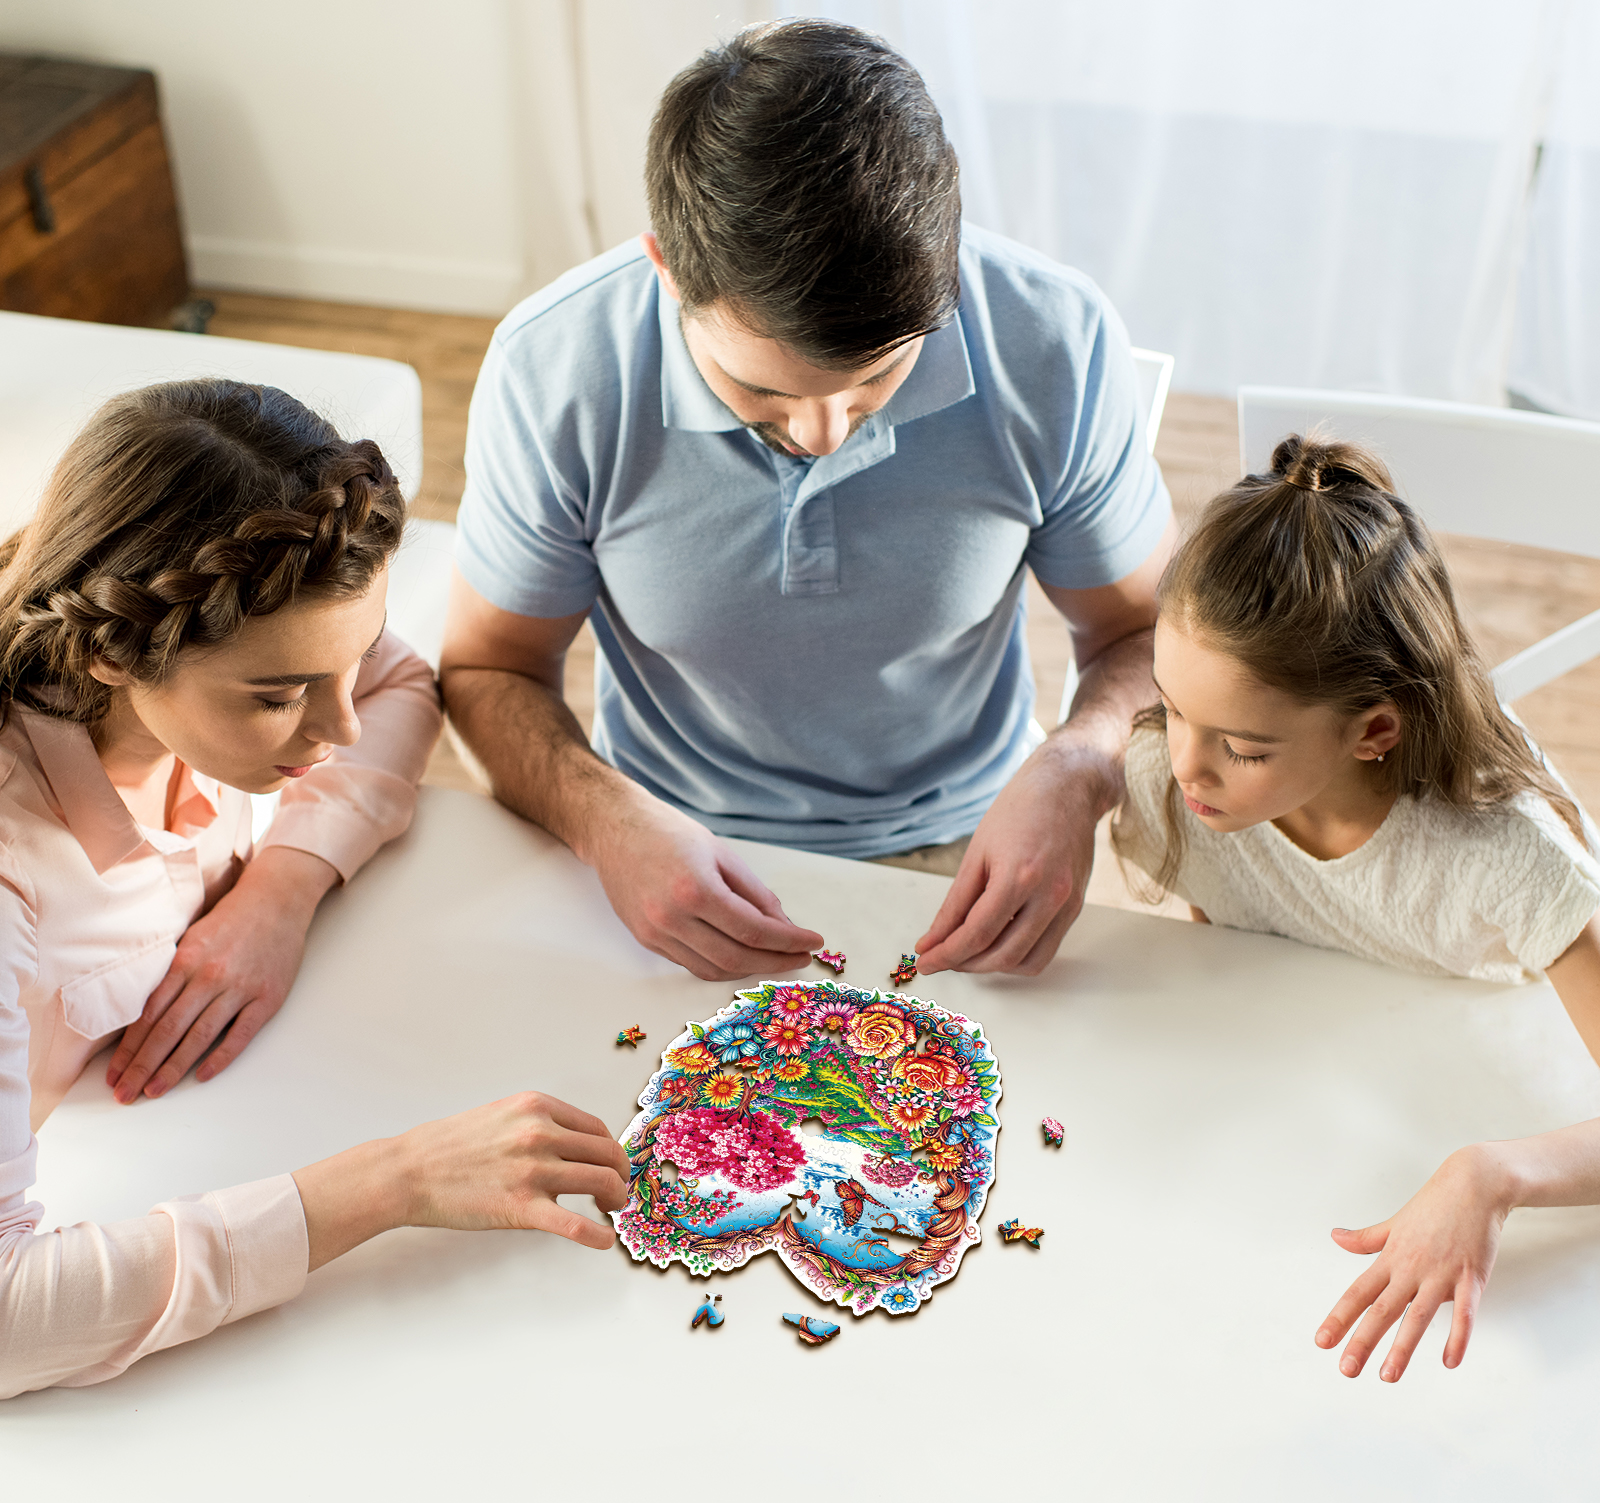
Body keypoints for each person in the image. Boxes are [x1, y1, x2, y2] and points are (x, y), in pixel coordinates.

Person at [440, 19, 1175, 983]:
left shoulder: (1053, 341)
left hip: (972, 842)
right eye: (765, 393)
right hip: (659, 846)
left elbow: (1148, 638)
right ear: (668, 271)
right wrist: (603, 819)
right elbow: (489, 671)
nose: (826, 434)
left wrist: (1079, 772)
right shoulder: (554, 370)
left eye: (877, 382)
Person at [0, 381, 628, 1399]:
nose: (334, 731)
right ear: (111, 650)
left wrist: (279, 892)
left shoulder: (234, 641)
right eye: (278, 696)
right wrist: (395, 1181)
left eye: (340, 661)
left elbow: (394, 686)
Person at [1111, 432, 1600, 1383]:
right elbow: (1246, 952)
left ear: (1374, 730)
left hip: (1502, 1055)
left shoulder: (1509, 859)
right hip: (1316, 1116)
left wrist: (1491, 1175)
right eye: (1171, 708)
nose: (1184, 767)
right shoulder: (1172, 789)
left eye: (1242, 748)